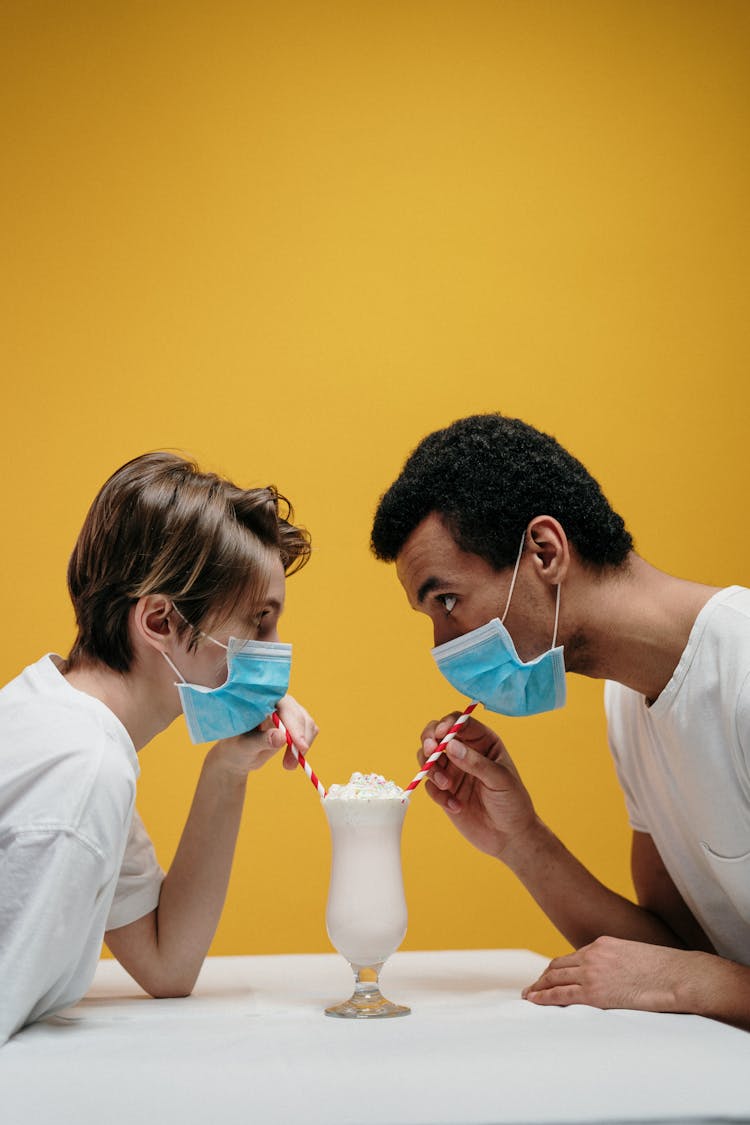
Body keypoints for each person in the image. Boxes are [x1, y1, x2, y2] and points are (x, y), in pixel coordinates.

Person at [371, 413, 750, 1029]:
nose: (443, 644)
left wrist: (693, 981)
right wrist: (520, 840)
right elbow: (671, 950)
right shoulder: (630, 702)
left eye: (447, 601)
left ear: (544, 552)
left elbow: (684, 973)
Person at [0, 452, 317, 1045]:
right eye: (259, 621)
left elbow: (166, 962)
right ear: (162, 621)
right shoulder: (80, 771)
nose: (276, 648)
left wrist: (229, 768)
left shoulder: (69, 729)